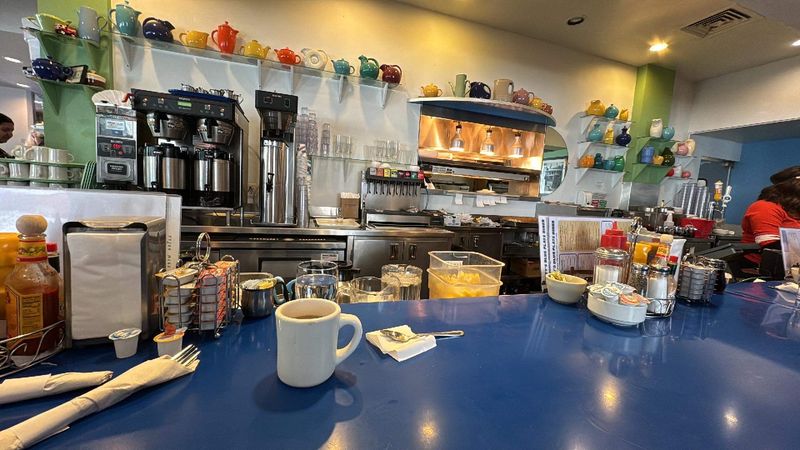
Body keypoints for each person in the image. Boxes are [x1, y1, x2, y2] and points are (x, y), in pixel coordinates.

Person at [741, 174, 800, 264]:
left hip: (792, 266)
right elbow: (771, 246)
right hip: (757, 268)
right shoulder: (765, 207)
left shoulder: (795, 211)